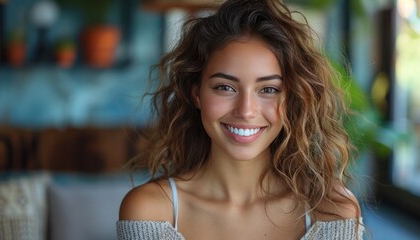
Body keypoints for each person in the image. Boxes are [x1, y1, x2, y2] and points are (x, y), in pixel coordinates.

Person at [117, 0, 365, 239]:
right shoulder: (150, 212)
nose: (246, 111)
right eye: (225, 87)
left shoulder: (331, 210)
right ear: (196, 93)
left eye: (268, 89)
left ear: (292, 99)